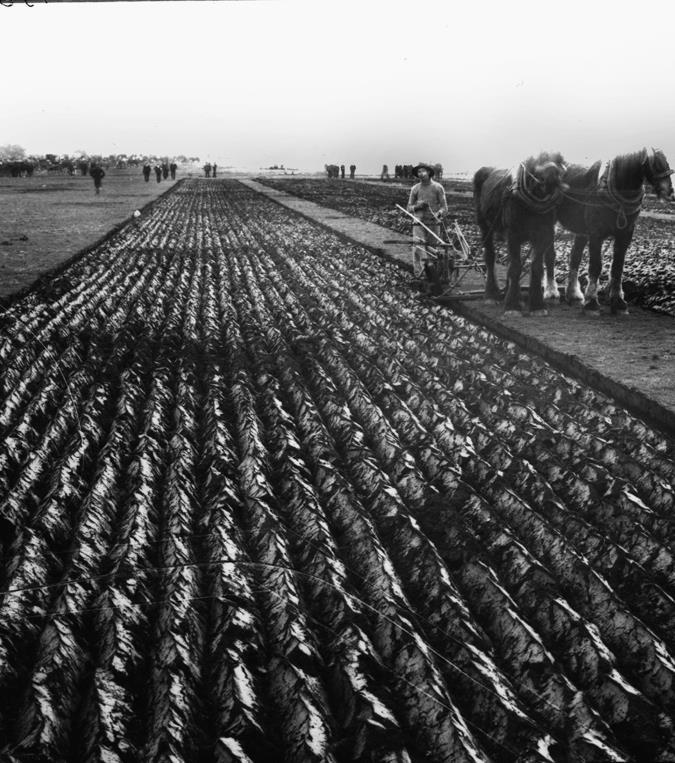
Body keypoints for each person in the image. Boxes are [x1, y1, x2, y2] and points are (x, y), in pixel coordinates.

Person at [406, 163, 448, 278]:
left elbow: (444, 208)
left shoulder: (438, 187)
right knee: (418, 248)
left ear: (429, 172)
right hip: (418, 222)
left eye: (423, 171)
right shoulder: (415, 189)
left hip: (433, 222)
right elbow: (408, 208)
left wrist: (439, 213)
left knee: (432, 249)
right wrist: (417, 207)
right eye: (419, 172)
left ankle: (432, 276)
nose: (421, 173)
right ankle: (418, 274)